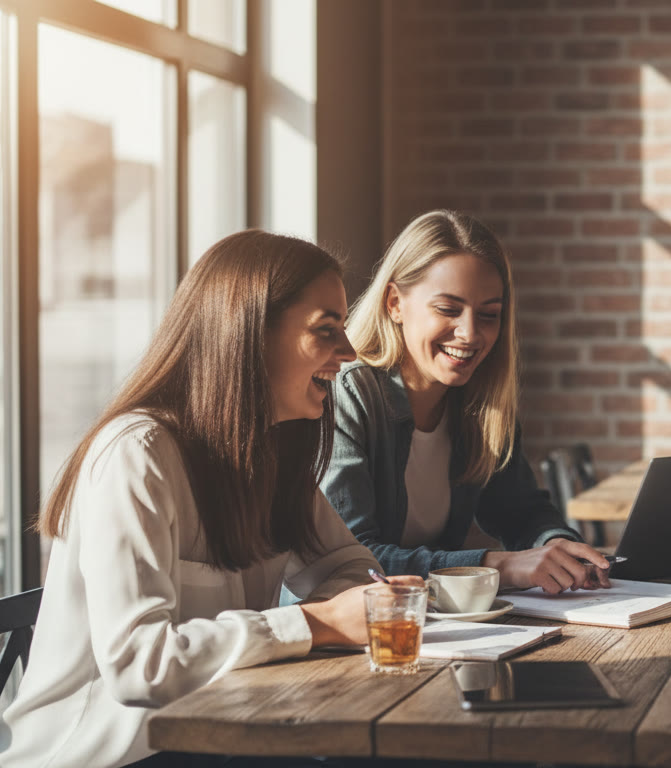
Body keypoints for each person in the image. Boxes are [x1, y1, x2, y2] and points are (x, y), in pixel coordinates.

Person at [0, 231, 412, 768]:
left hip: (216, 732)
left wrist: (348, 604)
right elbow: (140, 667)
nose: (349, 352)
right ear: (248, 334)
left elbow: (349, 566)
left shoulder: (271, 449)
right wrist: (318, 622)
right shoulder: (137, 454)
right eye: (326, 331)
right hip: (106, 756)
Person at [323, 210, 611, 594]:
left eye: (489, 315)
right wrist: (493, 565)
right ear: (395, 303)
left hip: (434, 628)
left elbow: (521, 512)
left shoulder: (479, 402)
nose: (470, 333)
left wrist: (554, 545)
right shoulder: (348, 394)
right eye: (447, 309)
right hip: (340, 641)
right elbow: (350, 564)